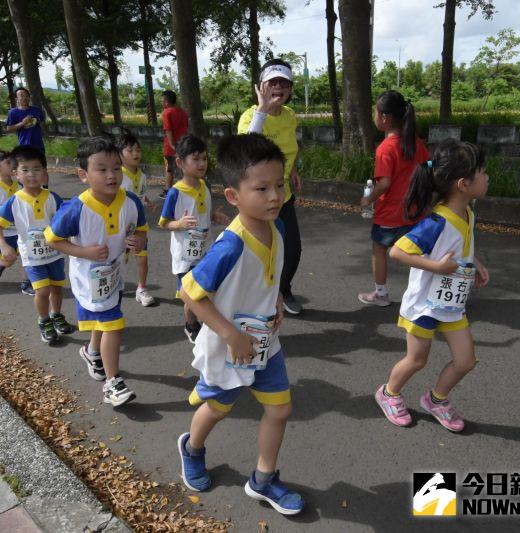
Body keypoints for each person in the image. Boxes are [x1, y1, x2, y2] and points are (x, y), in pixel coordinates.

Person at [177, 133, 304, 515]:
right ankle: (192, 449)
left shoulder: (276, 227)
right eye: (261, 188)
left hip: (265, 344)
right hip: (229, 348)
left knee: (279, 409)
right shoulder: (230, 245)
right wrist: (230, 334)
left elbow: (268, 276)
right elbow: (189, 292)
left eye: (279, 185)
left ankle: (263, 479)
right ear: (233, 197)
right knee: (217, 409)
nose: (274, 196)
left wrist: (277, 300)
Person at [375, 139, 490, 433]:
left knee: (466, 360)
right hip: (424, 305)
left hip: (452, 304)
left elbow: (459, 245)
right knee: (416, 360)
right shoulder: (436, 222)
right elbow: (398, 251)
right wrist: (437, 267)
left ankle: (436, 399)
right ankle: (389, 394)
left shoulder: (468, 213)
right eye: (482, 172)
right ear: (463, 184)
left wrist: (474, 261)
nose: (487, 176)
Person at [44, 136, 148, 407]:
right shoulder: (76, 208)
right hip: (88, 281)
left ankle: (92, 352)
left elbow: (142, 232)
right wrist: (84, 252)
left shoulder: (131, 202)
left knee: (104, 321)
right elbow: (52, 238)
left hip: (113, 276)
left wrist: (139, 241)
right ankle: (112, 384)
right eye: (101, 169)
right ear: (83, 175)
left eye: (116, 167)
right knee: (113, 324)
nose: (111, 175)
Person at [239, 58, 304, 315]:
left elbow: (289, 148)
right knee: (258, 250)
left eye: (284, 82)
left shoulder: (289, 117)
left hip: (283, 194)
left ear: (290, 89)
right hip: (256, 197)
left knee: (293, 248)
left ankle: (282, 289)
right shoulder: (250, 116)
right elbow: (244, 149)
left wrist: (293, 169)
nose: (278, 87)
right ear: (261, 86)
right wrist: (262, 111)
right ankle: (254, 298)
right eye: (272, 82)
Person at [0, 145, 75, 343]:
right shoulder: (14, 202)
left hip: (54, 253)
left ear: (45, 173)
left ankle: (57, 315)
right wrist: (4, 246)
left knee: (56, 288)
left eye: (37, 169)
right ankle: (44, 320)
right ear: (15, 174)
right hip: (32, 257)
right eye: (25, 170)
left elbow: (64, 222)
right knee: (42, 290)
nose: (32, 174)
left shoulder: (53, 198)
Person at [358, 91, 429, 307]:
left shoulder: (386, 148)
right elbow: (427, 170)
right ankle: (425, 293)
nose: (374, 115)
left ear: (384, 118)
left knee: (379, 250)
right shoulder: (417, 143)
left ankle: (381, 294)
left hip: (389, 213)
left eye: (375, 111)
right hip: (415, 211)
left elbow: (385, 182)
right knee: (418, 253)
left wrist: (368, 200)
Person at [159, 134, 229, 343]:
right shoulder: (175, 193)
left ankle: (205, 323)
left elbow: (203, 214)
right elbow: (163, 223)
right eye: (196, 159)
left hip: (204, 251)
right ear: (180, 162)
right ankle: (191, 324)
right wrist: (178, 224)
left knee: (205, 290)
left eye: (204, 159)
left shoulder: (205, 186)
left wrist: (213, 216)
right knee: (190, 294)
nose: (201, 164)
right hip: (184, 255)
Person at [0, 150, 33, 296]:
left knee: (26, 256)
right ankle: (0, 264)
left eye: (12, 162)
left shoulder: (19, 184)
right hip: (4, 231)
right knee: (10, 259)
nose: (12, 165)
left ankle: (27, 283)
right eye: (8, 163)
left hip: (22, 229)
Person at [117, 129, 156, 307]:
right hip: (118, 228)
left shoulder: (143, 176)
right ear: (120, 154)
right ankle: (115, 285)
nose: (135, 154)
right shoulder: (117, 176)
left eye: (138, 150)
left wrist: (146, 201)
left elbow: (140, 194)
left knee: (142, 258)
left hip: (138, 226)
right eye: (130, 150)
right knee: (118, 259)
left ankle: (141, 288)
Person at [5, 88, 49, 186]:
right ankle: (24, 190)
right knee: (23, 169)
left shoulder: (36, 110)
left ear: (29, 97)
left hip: (38, 144)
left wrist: (37, 122)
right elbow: (9, 128)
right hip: (23, 146)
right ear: (17, 98)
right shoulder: (13, 112)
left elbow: (43, 124)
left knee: (42, 168)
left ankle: (45, 190)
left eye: (26, 96)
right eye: (21, 96)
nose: (24, 98)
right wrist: (22, 123)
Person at [159, 89, 189, 200]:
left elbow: (168, 129)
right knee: (182, 167)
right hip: (183, 144)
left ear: (166, 102)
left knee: (169, 169)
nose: (161, 103)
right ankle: (186, 188)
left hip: (170, 147)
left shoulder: (166, 112)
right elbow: (186, 127)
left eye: (162, 101)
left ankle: (168, 190)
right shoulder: (183, 112)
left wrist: (172, 144)